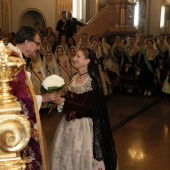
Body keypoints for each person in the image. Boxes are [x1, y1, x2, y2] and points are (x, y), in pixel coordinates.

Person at [50, 48, 118, 170]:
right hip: (70, 123)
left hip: (84, 125)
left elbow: (85, 107)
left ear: (87, 61)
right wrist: (59, 99)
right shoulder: (75, 77)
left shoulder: (92, 81)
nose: (74, 59)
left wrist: (63, 102)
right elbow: (71, 98)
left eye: (78, 56)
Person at [7, 26, 59, 170]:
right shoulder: (12, 60)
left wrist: (44, 98)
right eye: (37, 43)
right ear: (26, 42)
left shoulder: (13, 56)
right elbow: (21, 98)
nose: (38, 48)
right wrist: (43, 98)